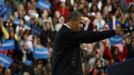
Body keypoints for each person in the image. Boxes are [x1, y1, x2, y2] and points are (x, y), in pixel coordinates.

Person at [51, 14, 124, 75]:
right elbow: (89, 36)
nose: (82, 26)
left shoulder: (70, 35)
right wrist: (113, 32)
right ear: (73, 21)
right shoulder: (66, 33)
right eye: (80, 23)